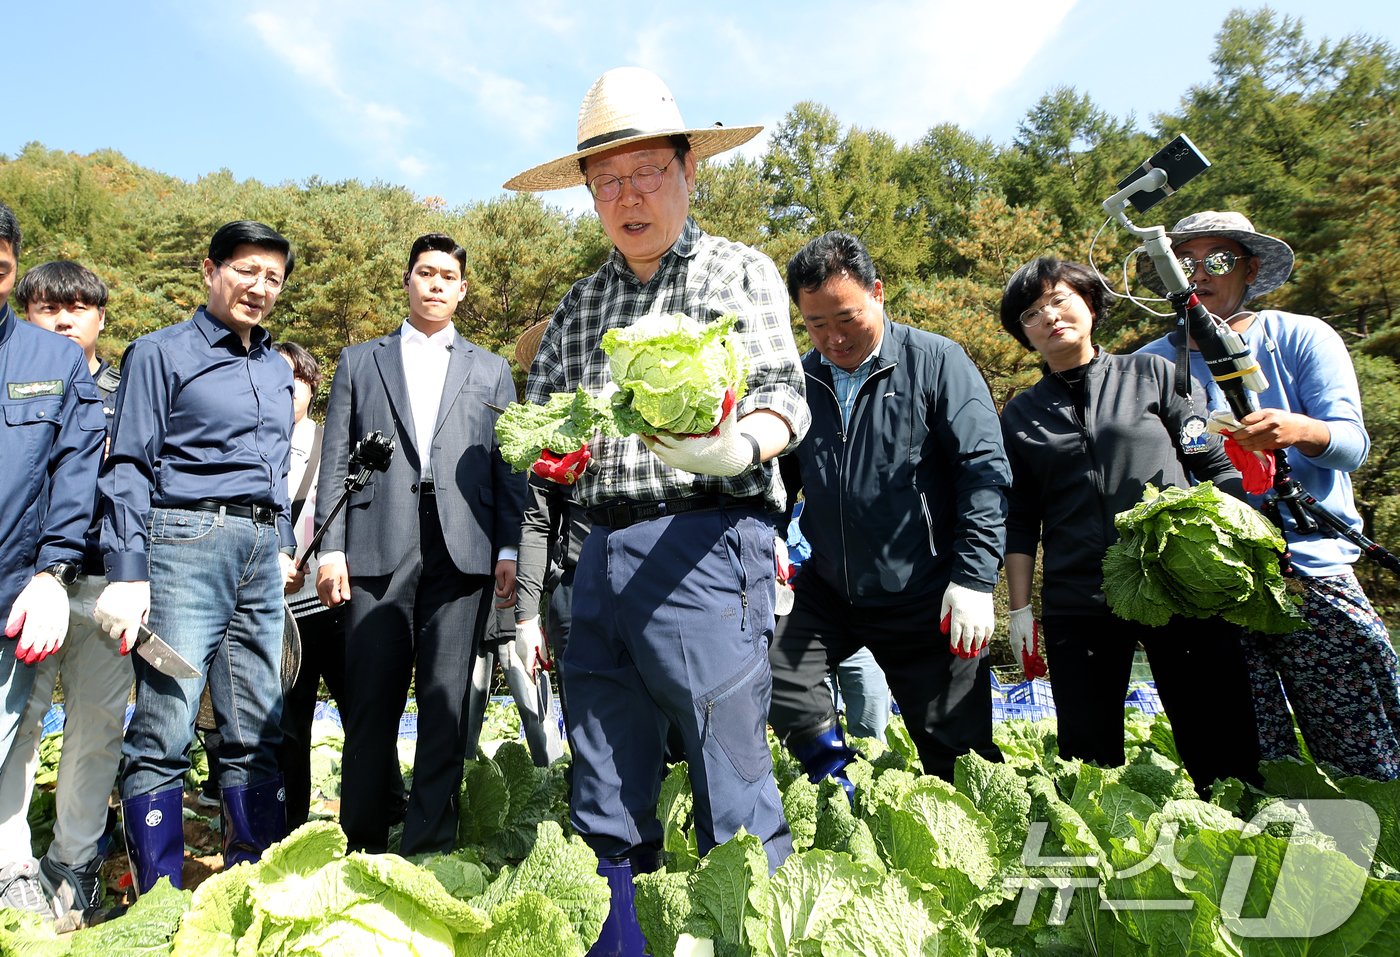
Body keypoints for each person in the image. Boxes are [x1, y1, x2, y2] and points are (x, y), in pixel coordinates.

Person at [504, 66, 809, 955]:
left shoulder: (734, 271)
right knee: (603, 772)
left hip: (707, 541)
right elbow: (549, 429)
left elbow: (788, 395)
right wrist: (548, 456)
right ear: (589, 196)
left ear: (689, 171)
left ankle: (753, 936)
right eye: (607, 182)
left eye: (646, 173)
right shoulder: (580, 303)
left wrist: (737, 445)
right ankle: (622, 940)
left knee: (730, 770)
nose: (627, 196)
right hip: (596, 553)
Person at [1137, 212, 1400, 780]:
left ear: (1250, 269)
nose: (1199, 275)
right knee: (1252, 762)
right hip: (1212, 588)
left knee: (1366, 752)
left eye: (1218, 260)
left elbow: (1351, 443)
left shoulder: (1299, 336)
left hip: (1312, 568)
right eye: (1183, 263)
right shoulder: (1148, 365)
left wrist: (1298, 430)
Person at [91, 220, 299, 893]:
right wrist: (128, 572)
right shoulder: (160, 352)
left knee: (257, 720)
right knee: (167, 721)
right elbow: (126, 466)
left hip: (261, 551)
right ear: (211, 271)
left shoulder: (274, 365)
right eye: (246, 271)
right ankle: (159, 894)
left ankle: (250, 881)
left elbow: (274, 470)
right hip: (184, 541)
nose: (259, 287)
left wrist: (286, 542)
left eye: (272, 277)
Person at [999, 256, 1261, 793]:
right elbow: (1020, 518)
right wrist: (1020, 609)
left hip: (1178, 586)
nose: (1049, 316)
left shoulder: (1154, 375)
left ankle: (1244, 837)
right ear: (1023, 334)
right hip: (1080, 597)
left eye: (1060, 299)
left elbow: (1213, 465)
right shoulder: (1020, 414)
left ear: (1090, 304)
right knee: (1089, 756)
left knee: (1218, 741)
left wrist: (1250, 545)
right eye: (1031, 311)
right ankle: (1110, 862)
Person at [768, 231, 1009, 786]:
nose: (833, 338)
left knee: (957, 752)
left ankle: (976, 848)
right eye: (815, 324)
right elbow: (778, 483)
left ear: (878, 293)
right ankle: (837, 788)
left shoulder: (937, 361)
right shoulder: (802, 381)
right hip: (830, 587)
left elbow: (984, 472)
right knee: (779, 667)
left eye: (845, 318)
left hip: (924, 590)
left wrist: (974, 579)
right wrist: (772, 540)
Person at [314, 233, 523, 856]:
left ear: (462, 289)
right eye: (425, 273)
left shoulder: (492, 369)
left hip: (464, 547)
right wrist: (331, 549)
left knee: (447, 706)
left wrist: (508, 548)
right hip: (377, 545)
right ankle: (361, 847)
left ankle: (431, 847)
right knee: (370, 704)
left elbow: (509, 468)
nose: (435, 284)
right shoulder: (360, 360)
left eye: (447, 276)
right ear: (407, 281)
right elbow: (334, 459)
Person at [0, 262, 130, 928]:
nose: (64, 316)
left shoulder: (128, 387)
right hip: (26, 585)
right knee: (16, 726)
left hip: (106, 584)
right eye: (48, 304)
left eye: (80, 305)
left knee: (97, 729)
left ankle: (73, 865)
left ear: (101, 317)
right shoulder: (15, 379)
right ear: (25, 311)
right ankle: (11, 862)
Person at [268, 341, 349, 829]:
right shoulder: (250, 444)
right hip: (273, 611)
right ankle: (288, 823)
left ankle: (382, 808)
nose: (286, 388)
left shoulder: (328, 444)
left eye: (296, 379)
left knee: (358, 708)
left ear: (312, 387)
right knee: (288, 726)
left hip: (326, 607)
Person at [780, 501, 891, 743]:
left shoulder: (847, 510)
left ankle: (873, 772)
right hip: (804, 634)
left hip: (857, 632)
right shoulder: (785, 518)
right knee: (816, 721)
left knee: (870, 713)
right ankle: (829, 777)